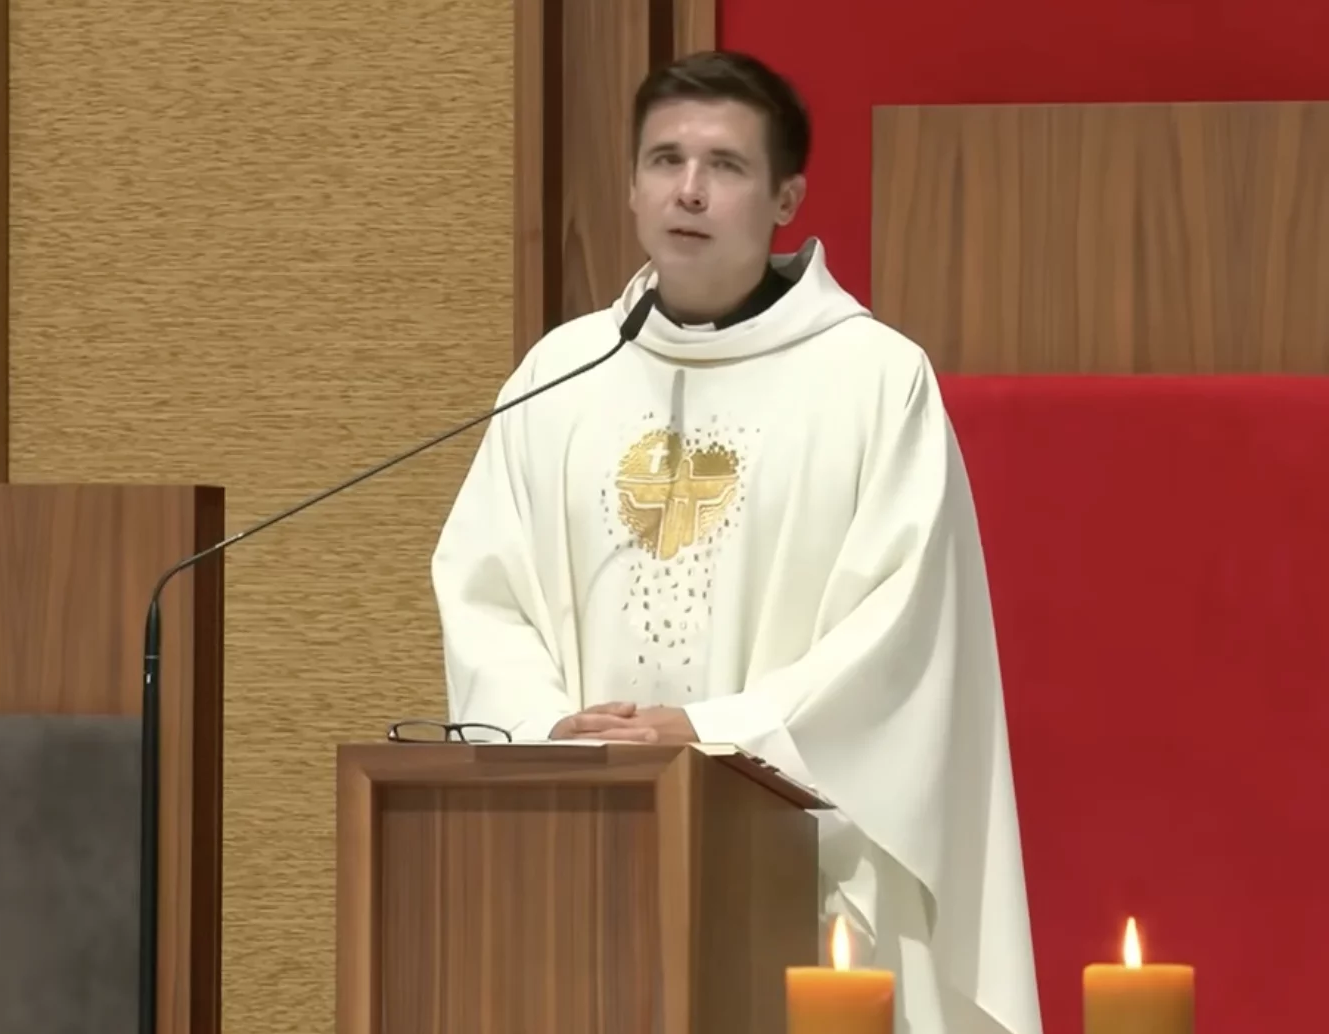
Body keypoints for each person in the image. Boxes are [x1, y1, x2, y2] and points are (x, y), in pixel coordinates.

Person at [429, 47, 1041, 1034]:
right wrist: (551, 730)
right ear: (631, 187)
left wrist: (714, 732)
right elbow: (484, 596)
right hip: (584, 851)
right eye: (664, 160)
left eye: (724, 165)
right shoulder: (558, 376)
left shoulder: (873, 380)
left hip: (797, 863)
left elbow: (898, 636)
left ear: (785, 197)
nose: (689, 189)